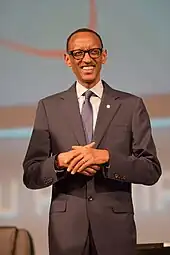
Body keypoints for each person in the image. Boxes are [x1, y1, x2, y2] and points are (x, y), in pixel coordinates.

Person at [23, 28, 162, 255]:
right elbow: (31, 174)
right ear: (67, 59)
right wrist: (59, 161)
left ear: (104, 56)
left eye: (93, 52)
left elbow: (151, 170)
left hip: (115, 231)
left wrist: (107, 158)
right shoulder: (49, 107)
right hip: (66, 232)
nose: (86, 59)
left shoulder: (130, 105)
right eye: (78, 53)